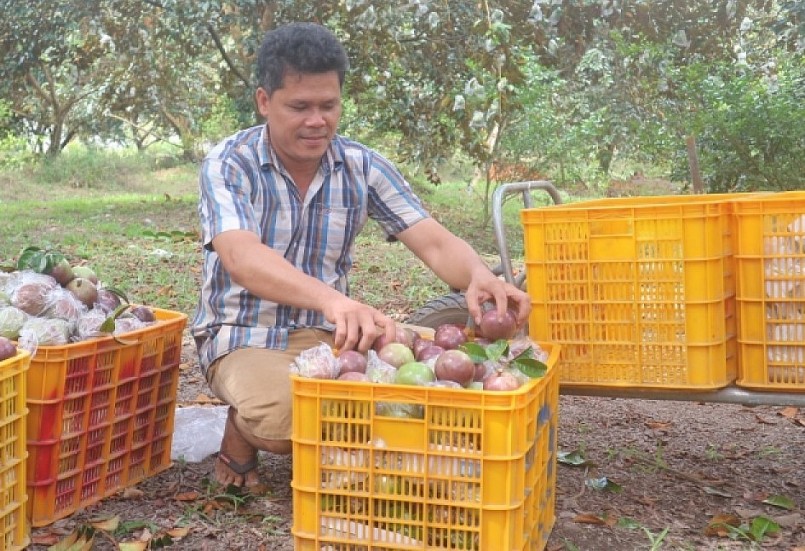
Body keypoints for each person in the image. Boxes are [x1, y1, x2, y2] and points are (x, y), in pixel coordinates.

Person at [191, 21, 532, 490]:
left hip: (335, 335)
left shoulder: (360, 164)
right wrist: (332, 300)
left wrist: (476, 273)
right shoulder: (230, 162)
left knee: (439, 378)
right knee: (292, 416)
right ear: (264, 101)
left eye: (328, 106)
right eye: (300, 107)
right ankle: (243, 434)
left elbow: (432, 240)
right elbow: (242, 257)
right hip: (244, 334)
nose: (318, 121)